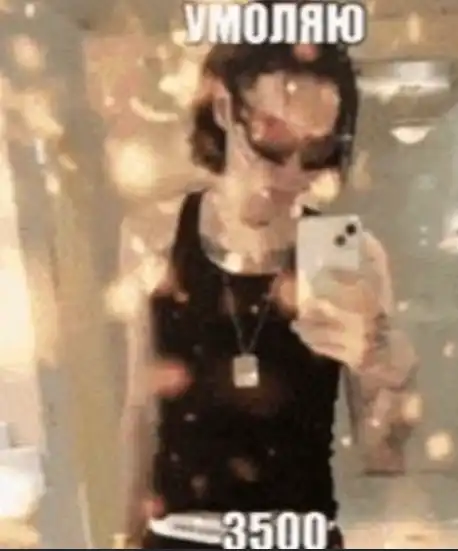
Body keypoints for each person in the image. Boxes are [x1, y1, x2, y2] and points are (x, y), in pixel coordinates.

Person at [117, 30, 418, 549]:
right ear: (223, 108)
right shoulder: (155, 235)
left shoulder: (357, 258)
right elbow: (141, 411)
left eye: (318, 149)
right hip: (179, 537)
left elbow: (383, 454)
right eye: (273, 137)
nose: (293, 173)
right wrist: (122, 536)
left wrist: (380, 362)